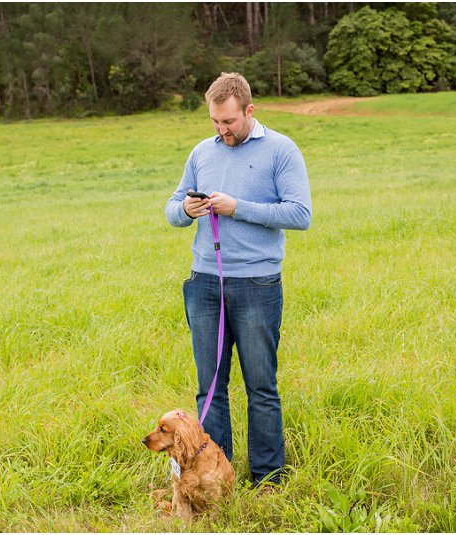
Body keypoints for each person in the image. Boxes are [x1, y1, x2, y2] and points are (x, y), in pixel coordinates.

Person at [164, 72, 312, 488]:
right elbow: (172, 207)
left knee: (261, 386)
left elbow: (300, 214)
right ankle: (215, 477)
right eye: (214, 121)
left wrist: (237, 208)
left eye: (228, 122)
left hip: (257, 286)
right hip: (204, 285)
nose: (221, 130)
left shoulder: (281, 150)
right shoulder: (202, 151)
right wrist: (187, 211)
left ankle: (268, 479)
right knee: (209, 387)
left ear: (249, 111)